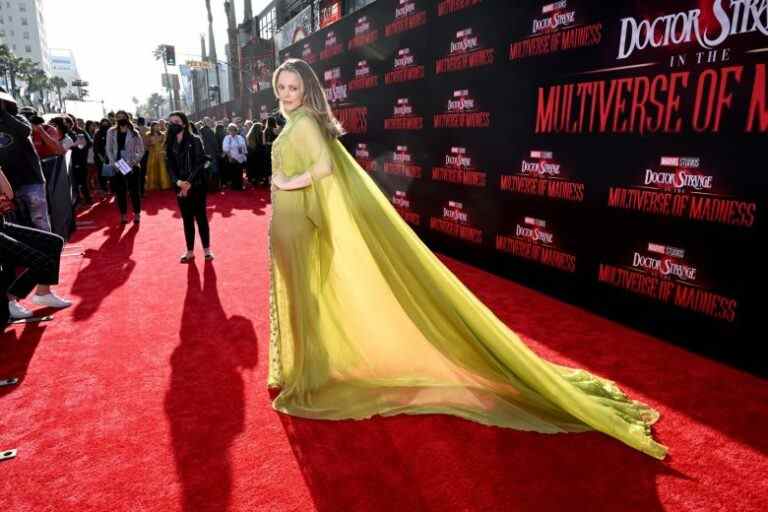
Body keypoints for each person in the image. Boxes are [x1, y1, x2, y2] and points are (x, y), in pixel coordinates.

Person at [266, 58, 667, 460]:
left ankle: (309, 376)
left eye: (293, 88)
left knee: (306, 297)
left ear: (308, 91)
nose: (286, 94)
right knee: (305, 298)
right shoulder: (294, 122)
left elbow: (324, 167)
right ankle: (305, 369)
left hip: (296, 227)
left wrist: (286, 182)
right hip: (290, 226)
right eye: (281, 87)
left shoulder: (304, 124)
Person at [1, 167, 71, 319]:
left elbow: (9, 193)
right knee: (42, 261)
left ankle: (43, 292)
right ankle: (10, 299)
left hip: (3, 226)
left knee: (54, 242)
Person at [0, 89, 53, 232]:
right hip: (8, 184)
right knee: (18, 224)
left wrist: (3, 113)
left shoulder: (19, 118)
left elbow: (25, 131)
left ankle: (48, 251)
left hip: (31, 180)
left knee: (39, 220)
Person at [165, 111, 213, 263]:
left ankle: (207, 251)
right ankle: (190, 251)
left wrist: (188, 183)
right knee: (186, 219)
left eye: (177, 121)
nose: (174, 125)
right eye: (171, 122)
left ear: (184, 124)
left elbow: (200, 163)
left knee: (201, 218)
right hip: (180, 186)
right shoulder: (169, 143)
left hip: (196, 185)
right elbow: (170, 167)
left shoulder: (195, 140)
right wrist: (178, 183)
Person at [105, 110, 144, 224]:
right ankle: (123, 215)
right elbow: (109, 149)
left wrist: (132, 162)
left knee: (134, 191)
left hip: (132, 165)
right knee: (120, 191)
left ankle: (137, 214)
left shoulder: (134, 132)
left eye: (123, 117)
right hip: (117, 164)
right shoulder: (111, 132)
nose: (121, 119)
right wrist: (113, 163)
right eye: (118, 117)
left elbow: (141, 150)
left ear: (127, 118)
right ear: (116, 119)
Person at [145, 122, 172, 191]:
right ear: (152, 127)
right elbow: (146, 144)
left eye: (158, 126)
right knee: (152, 168)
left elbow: (166, 144)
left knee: (162, 169)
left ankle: (164, 185)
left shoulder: (162, 134)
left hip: (161, 153)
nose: (157, 127)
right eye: (155, 126)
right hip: (152, 154)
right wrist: (151, 144)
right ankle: (153, 185)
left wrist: (165, 151)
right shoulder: (148, 134)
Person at [222, 123, 246, 191]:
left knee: (240, 172)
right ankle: (234, 186)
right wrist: (230, 157)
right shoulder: (227, 138)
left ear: (236, 130)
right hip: (231, 158)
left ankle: (240, 186)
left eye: (233, 130)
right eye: (230, 130)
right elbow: (225, 149)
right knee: (233, 173)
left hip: (240, 158)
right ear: (228, 131)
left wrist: (242, 156)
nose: (232, 131)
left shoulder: (240, 137)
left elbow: (243, 147)